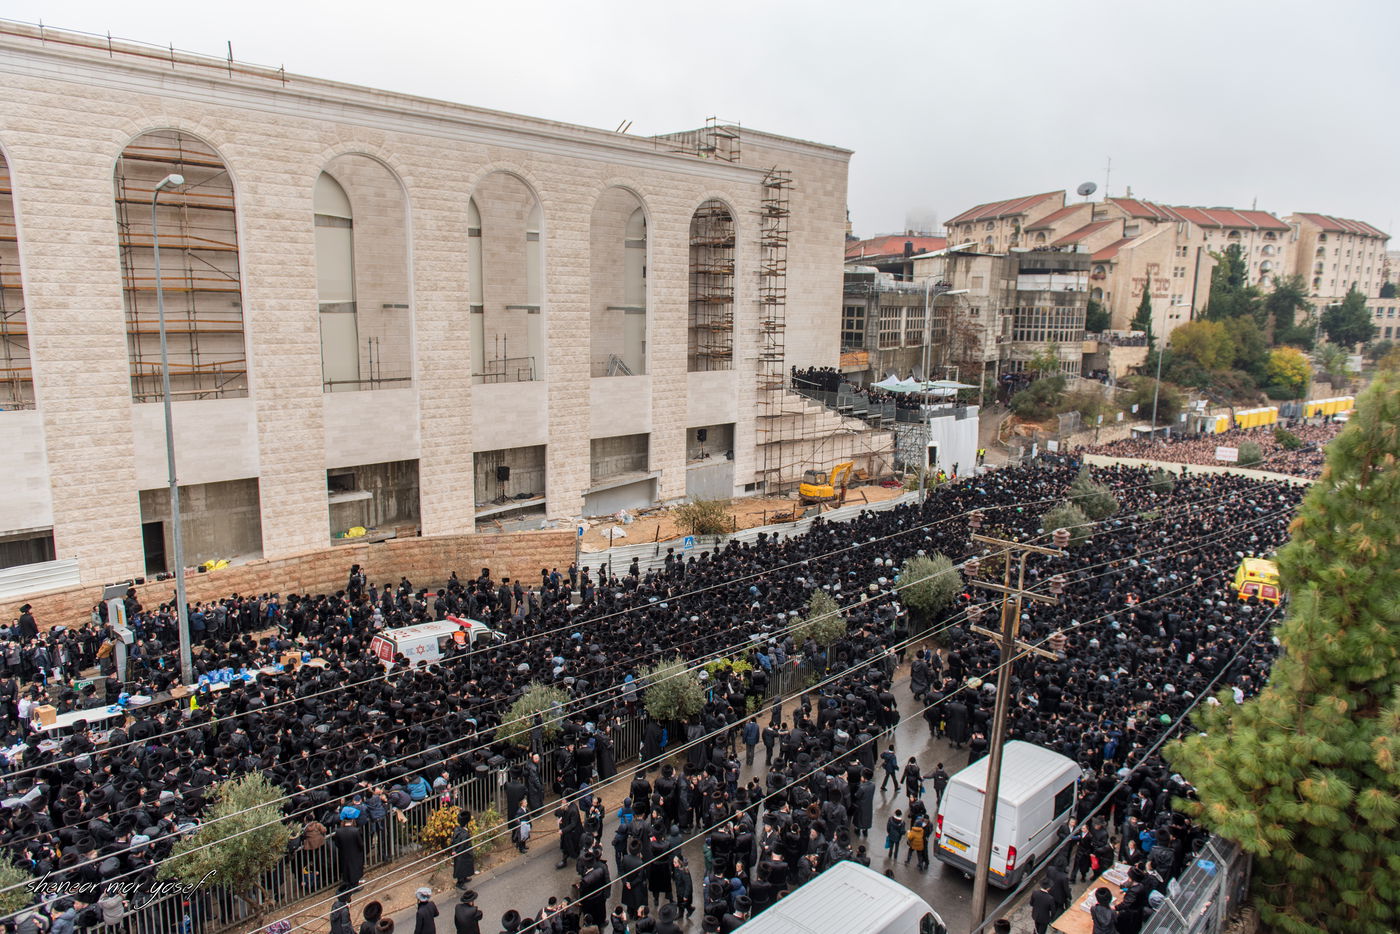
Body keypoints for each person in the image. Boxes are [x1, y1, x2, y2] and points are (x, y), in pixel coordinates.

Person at [452, 813, 476, 888]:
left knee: (463, 866)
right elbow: (463, 845)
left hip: (460, 852)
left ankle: (464, 878)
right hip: (463, 853)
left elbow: (453, 840)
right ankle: (460, 883)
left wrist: (454, 850)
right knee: (461, 867)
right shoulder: (465, 834)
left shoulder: (457, 829)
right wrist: (457, 851)